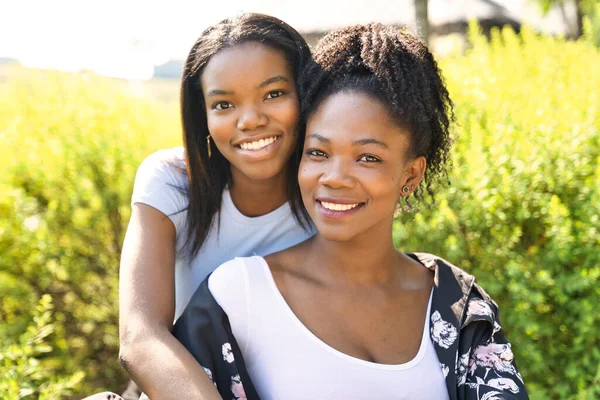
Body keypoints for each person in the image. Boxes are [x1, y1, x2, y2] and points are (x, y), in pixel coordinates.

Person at [173, 24, 529, 399]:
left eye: (368, 157)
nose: (335, 178)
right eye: (318, 153)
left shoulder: (459, 305)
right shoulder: (235, 296)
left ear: (411, 173)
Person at [117, 13, 314, 400]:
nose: (250, 120)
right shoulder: (172, 182)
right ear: (203, 116)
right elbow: (141, 336)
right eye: (224, 104)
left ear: (307, 94)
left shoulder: (329, 191)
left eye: (273, 94)